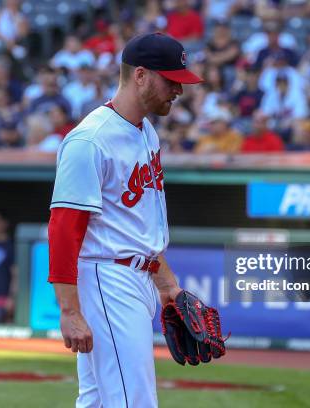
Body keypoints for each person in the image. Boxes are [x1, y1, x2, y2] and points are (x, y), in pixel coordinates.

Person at [48, 33, 201, 407]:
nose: (178, 90)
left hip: (136, 276)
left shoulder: (145, 130)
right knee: (134, 401)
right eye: (171, 80)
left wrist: (165, 282)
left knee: (99, 399)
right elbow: (64, 228)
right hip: (108, 278)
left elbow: (138, 220)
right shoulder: (90, 139)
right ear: (141, 76)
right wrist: (69, 311)